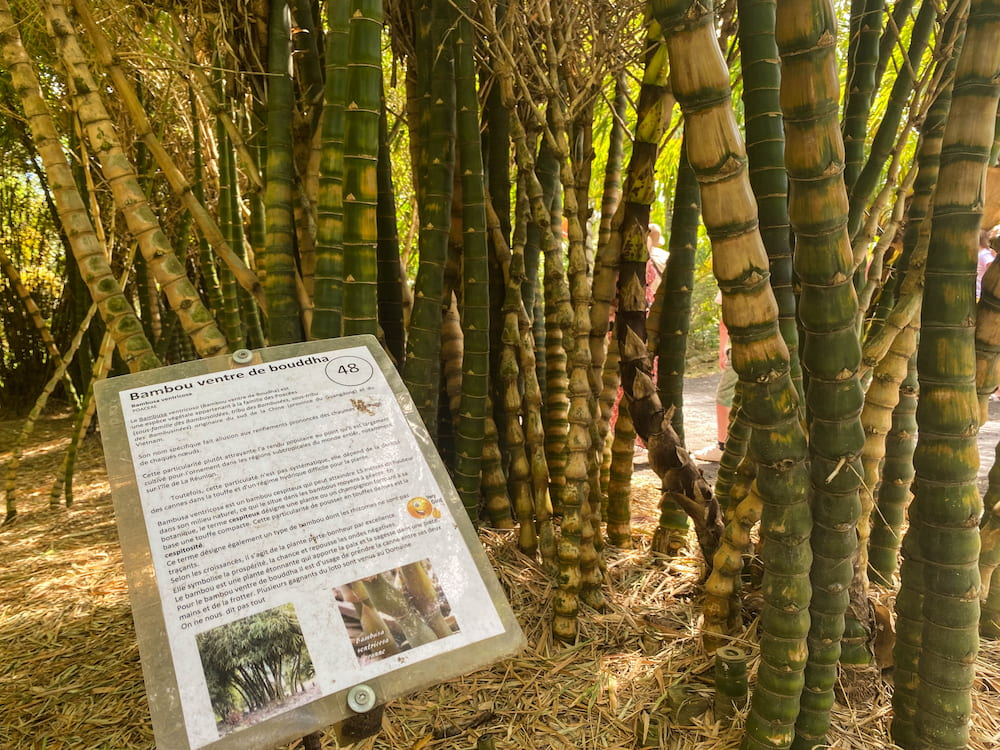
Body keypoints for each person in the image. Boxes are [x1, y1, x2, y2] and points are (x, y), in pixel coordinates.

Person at [694, 290, 735, 463]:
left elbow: (726, 320)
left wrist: (722, 350)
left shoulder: (732, 274)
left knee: (725, 397)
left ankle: (723, 447)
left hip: (744, 347)